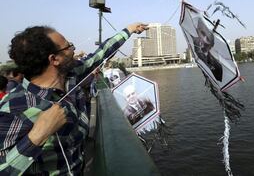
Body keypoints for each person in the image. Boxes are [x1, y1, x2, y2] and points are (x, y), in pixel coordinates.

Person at [0, 22, 148, 175]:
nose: (73, 49)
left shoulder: (71, 75)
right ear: (54, 59)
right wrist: (36, 136)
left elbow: (99, 54)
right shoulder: (13, 108)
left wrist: (129, 30)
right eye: (68, 46)